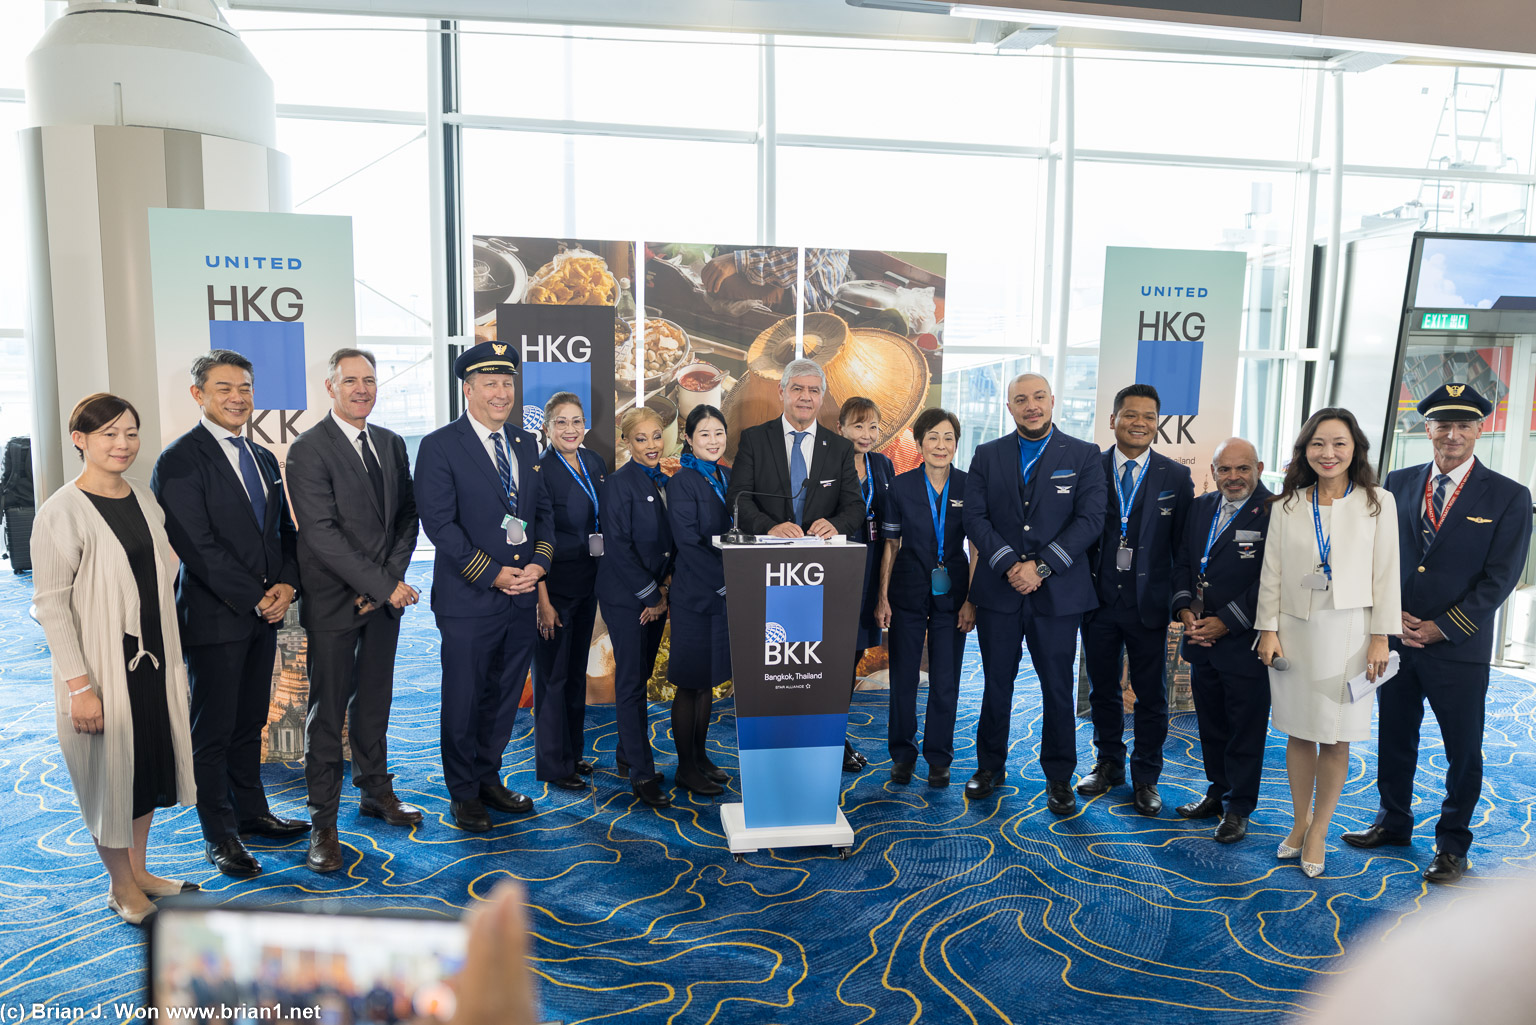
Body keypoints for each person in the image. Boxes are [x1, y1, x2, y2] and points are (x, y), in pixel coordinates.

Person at [1343, 383, 1531, 884]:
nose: (1452, 434)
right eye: (1442, 424)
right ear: (1426, 428)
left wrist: (1444, 627)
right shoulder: (1397, 483)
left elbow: (1501, 577)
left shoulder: (1510, 496)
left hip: (1459, 647)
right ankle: (1393, 820)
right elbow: (1377, 557)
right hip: (1398, 636)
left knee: (1462, 749)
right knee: (1394, 735)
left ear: (1479, 430)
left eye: (1464, 425)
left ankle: (1452, 844)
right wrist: (1393, 614)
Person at [33, 394, 199, 925]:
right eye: (108, 433)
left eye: (130, 432)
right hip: (101, 670)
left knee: (145, 770)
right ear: (79, 439)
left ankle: (141, 870)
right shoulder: (61, 511)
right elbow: (51, 605)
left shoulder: (143, 497)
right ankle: (121, 887)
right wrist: (80, 687)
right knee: (109, 779)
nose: (122, 443)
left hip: (150, 662)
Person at [152, 350, 308, 879]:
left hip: (263, 614)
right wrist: (256, 595)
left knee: (249, 722)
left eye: (244, 387)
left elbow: (284, 533)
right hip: (216, 617)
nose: (237, 397)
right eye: (224, 388)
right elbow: (196, 545)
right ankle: (219, 836)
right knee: (214, 730)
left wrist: (287, 582)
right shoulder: (178, 459)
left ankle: (253, 813)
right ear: (199, 395)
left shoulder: (263, 456)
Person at [285, 348, 423, 874]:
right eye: (350, 381)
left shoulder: (389, 442)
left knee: (375, 703)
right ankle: (323, 822)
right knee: (327, 714)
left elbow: (408, 516)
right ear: (330, 387)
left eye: (369, 380)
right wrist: (381, 585)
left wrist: (387, 582)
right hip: (334, 601)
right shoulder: (308, 449)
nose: (362, 389)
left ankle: (375, 791)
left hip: (381, 597)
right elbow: (320, 534)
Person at [415, 341, 554, 832]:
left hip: (520, 595)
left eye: (508, 383)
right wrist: (491, 572)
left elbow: (541, 514)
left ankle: (488, 776)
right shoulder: (439, 445)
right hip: (469, 597)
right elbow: (439, 524)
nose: (501, 393)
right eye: (490, 383)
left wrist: (537, 566)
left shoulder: (526, 443)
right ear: (468, 388)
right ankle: (462, 792)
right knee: (465, 695)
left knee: (503, 692)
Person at [1256, 408, 1400, 878]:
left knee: (1337, 735)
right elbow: (1272, 574)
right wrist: (1267, 629)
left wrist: (1382, 636)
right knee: (1299, 730)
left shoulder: (1379, 502)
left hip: (1353, 633)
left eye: (1338, 443)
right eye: (1318, 444)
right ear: (1305, 450)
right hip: (1297, 628)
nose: (1328, 453)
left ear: (1354, 447)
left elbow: (1386, 575)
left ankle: (1320, 828)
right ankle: (1298, 824)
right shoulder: (1288, 506)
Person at [962, 373, 1106, 812]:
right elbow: (975, 518)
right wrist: (1010, 564)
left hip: (1057, 595)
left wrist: (1041, 567)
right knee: (996, 685)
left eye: (1038, 397)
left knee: (1058, 688)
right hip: (1000, 592)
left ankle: (1059, 776)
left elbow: (1090, 520)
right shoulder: (987, 455)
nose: (1031, 406)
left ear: (1052, 401)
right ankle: (990, 766)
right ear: (1009, 407)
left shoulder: (1084, 455)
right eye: (1021, 399)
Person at [1077, 384, 1193, 816]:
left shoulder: (1175, 477)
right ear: (1113, 420)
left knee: (1151, 694)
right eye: (1130, 415)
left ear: (1158, 424)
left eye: (1148, 416)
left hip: (1148, 603)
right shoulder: (1091, 467)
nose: (1139, 423)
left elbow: (1182, 548)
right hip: (1098, 600)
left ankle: (1146, 776)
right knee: (1103, 689)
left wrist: (1180, 599)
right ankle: (1108, 762)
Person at [1171, 437, 1272, 843]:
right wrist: (1185, 611)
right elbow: (1181, 562)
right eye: (1224, 469)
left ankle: (1239, 807)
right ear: (1212, 472)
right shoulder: (1200, 507)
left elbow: (1273, 580)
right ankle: (1217, 791)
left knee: (1245, 729)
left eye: (1242, 468)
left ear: (1259, 468)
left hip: (1245, 641)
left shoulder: (1276, 512)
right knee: (1210, 725)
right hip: (1200, 637)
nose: (1233, 477)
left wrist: (1226, 621)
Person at [875, 408, 978, 786]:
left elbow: (975, 547)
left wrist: (973, 600)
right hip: (906, 590)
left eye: (948, 437)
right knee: (904, 676)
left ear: (956, 443)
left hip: (955, 593)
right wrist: (882, 598)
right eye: (932, 437)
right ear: (919, 443)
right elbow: (890, 544)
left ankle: (939, 757)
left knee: (946, 677)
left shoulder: (970, 486)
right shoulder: (899, 487)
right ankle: (902, 754)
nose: (941, 445)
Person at [596, 407, 676, 808]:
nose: (651, 445)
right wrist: (651, 596)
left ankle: (629, 754)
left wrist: (662, 590)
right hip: (626, 596)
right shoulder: (618, 484)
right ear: (627, 441)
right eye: (641, 438)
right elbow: (618, 548)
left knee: (641, 674)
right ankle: (641, 774)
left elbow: (671, 543)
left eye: (656, 436)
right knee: (630, 681)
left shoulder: (666, 480)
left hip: (653, 596)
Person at [533, 392, 605, 792]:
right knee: (552, 677)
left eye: (577, 421)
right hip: (554, 588)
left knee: (575, 673)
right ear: (546, 428)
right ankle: (553, 763)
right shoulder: (539, 469)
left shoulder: (593, 462)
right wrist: (541, 601)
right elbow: (532, 539)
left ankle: (572, 753)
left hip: (587, 581)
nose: (570, 429)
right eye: (561, 422)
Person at [666, 404, 734, 796]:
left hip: (723, 596)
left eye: (719, 432)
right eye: (704, 433)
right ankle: (685, 767)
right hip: (696, 595)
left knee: (707, 681)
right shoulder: (683, 482)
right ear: (689, 439)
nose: (713, 440)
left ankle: (702, 756)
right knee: (689, 684)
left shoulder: (727, 476)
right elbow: (688, 543)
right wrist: (725, 582)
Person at [723, 358, 864, 542]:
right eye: (797, 389)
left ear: (821, 397)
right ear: (782, 392)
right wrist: (770, 528)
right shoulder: (754, 440)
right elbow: (737, 499)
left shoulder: (840, 448)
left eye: (813, 390)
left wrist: (836, 525)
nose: (805, 397)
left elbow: (855, 506)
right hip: (766, 554)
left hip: (822, 556)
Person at [838, 395, 894, 773]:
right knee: (831, 661)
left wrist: (884, 591)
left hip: (872, 570)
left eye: (873, 426)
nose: (867, 434)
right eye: (858, 425)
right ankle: (830, 739)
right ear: (841, 428)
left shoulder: (883, 464)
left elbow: (891, 527)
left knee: (854, 657)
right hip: (836, 571)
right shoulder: (828, 463)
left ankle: (836, 736)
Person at [700, 247, 851, 312]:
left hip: (807, 287)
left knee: (719, 282)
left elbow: (800, 261)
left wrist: (736, 260)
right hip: (784, 266)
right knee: (713, 270)